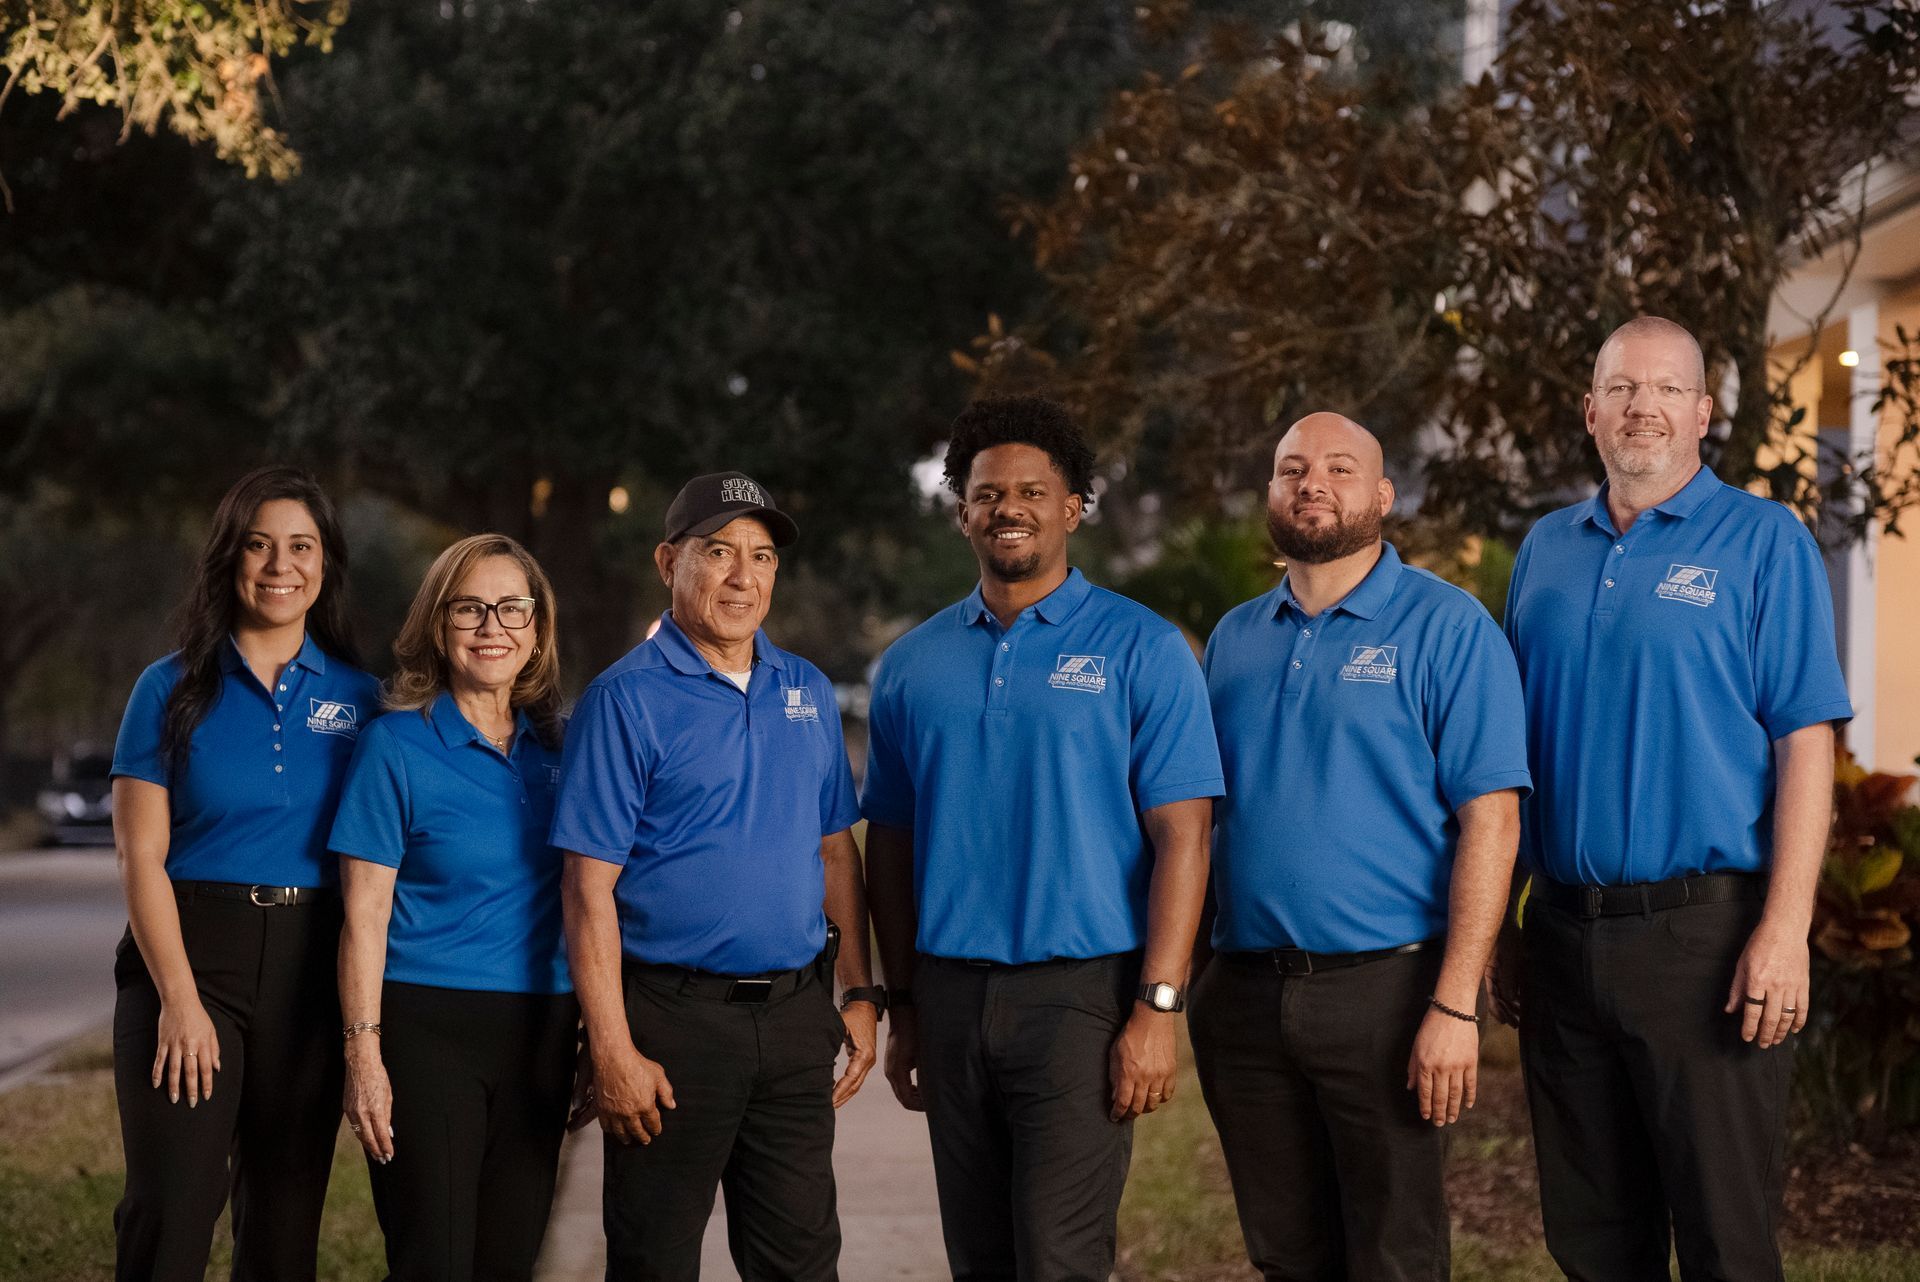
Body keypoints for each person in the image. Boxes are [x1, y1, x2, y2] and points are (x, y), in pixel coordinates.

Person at [1497, 316, 1852, 1281]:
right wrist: (1507, 922)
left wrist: (1784, 930)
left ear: (1703, 412)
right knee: (1594, 1243)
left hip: (1706, 943)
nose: (1640, 407)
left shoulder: (1763, 541)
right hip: (1565, 937)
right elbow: (1515, 757)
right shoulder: (1543, 551)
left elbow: (1805, 743)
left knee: (1724, 1243)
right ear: (1591, 412)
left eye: (1663, 390)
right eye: (1620, 389)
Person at [862, 395, 1223, 1282]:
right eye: (987, 494)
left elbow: (1187, 840)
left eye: (1031, 490)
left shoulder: (1142, 647)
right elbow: (892, 849)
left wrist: (1156, 1009)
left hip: (1081, 1000)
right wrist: (904, 1007)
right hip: (949, 999)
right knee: (978, 1259)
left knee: (1059, 1260)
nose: (1007, 508)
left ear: (1072, 507)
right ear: (962, 515)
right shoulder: (912, 666)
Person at [1194, 413, 1530, 1282]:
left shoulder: (1448, 628)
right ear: (1270, 493)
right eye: (1293, 469)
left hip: (1387, 990)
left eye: (1340, 469)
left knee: (1394, 1255)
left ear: (1382, 496)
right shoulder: (1234, 639)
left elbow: (1491, 821)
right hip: (1243, 995)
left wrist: (1455, 1007)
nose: (1313, 484)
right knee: (1284, 1252)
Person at [551, 472, 880, 1282]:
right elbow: (586, 888)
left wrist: (860, 993)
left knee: (803, 1264)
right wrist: (614, 1049)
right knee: (656, 1262)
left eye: (761, 557)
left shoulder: (803, 688)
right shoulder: (622, 700)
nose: (743, 576)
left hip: (797, 1022)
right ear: (670, 561)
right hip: (672, 1027)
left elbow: (835, 848)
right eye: (719, 552)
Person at [108, 465, 380, 1282]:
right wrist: (180, 1002)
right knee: (174, 1205)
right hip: (192, 959)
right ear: (230, 558)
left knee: (284, 1221)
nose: (278, 566)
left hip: (310, 968)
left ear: (324, 564)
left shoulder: (364, 700)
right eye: (258, 546)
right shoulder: (168, 688)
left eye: (300, 547)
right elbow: (139, 856)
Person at [330, 533, 579, 1282]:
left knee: (510, 1259)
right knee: (432, 1259)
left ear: (536, 631)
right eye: (469, 608)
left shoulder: (565, 753)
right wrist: (363, 1054)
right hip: (426, 1032)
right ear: (439, 627)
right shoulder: (394, 747)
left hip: (541, 1030)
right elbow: (363, 918)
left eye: (511, 608)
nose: (491, 626)